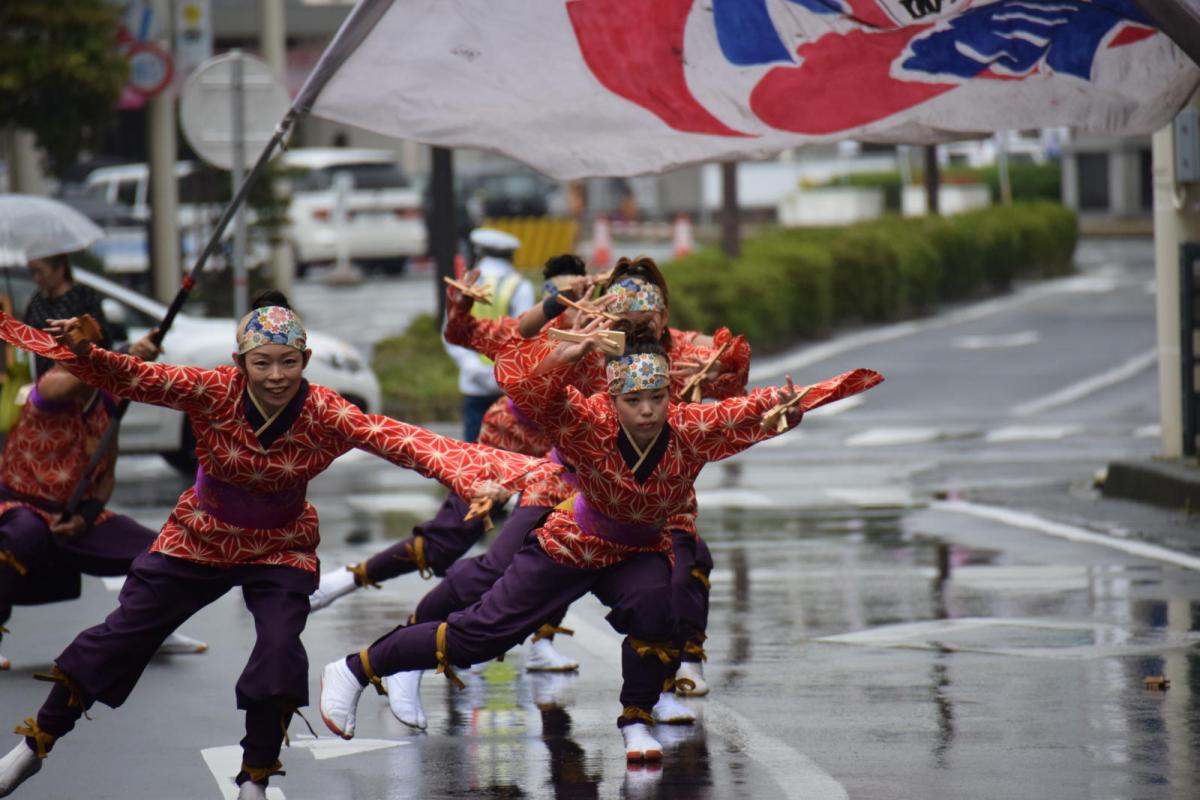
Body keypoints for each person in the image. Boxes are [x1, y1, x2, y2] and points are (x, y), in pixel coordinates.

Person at [0, 290, 559, 800]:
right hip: (202, 533)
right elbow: (134, 378)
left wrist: (473, 477)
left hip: (281, 543)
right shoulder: (210, 389)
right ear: (240, 362)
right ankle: (34, 746)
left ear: (305, 362)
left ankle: (256, 779)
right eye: (261, 362)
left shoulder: (325, 413)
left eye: (287, 362)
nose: (275, 375)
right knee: (121, 634)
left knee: (277, 648)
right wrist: (89, 351)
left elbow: (406, 442)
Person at [319, 318, 880, 761]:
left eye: (656, 398)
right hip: (573, 543)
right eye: (634, 401)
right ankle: (358, 667)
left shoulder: (690, 429)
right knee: (479, 638)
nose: (646, 410)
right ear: (613, 400)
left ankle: (637, 719)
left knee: (660, 607)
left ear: (669, 396)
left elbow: (752, 409)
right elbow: (532, 393)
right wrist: (560, 355)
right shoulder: (587, 423)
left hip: (637, 550)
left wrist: (802, 404)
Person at [0, 328, 206, 671]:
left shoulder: (108, 401)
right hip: (19, 506)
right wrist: (129, 352)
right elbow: (74, 379)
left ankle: (152, 631)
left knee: (159, 551)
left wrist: (86, 516)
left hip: (77, 515)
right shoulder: (50, 386)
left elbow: (106, 476)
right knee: (23, 534)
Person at [444, 228, 534, 443]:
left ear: (479, 251)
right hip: (508, 386)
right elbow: (525, 334)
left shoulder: (465, 283)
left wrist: (471, 366)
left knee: (474, 458)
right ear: (511, 254)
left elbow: (449, 330)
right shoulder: (520, 286)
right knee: (506, 456)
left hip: (473, 383)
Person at [23, 253, 111, 380]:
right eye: (33, 272)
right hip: (45, 380)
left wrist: (76, 334)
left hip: (79, 379)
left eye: (41, 272)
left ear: (60, 269)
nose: (37, 278)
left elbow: (101, 336)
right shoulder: (36, 302)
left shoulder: (83, 297)